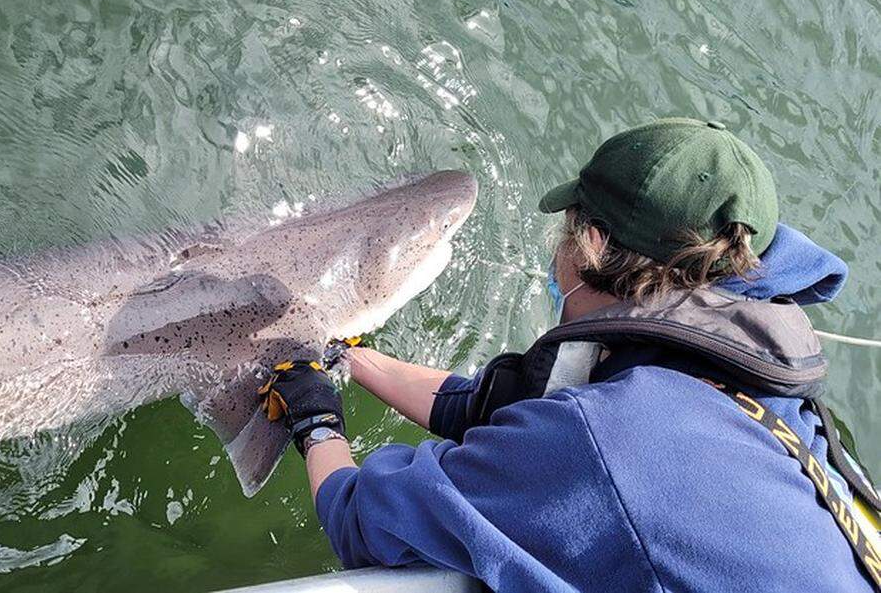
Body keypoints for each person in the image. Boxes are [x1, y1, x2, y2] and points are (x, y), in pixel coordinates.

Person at [260, 118, 881, 592]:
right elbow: (491, 409)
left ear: (588, 244)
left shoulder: (605, 442)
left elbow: (362, 519)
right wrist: (350, 359)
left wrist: (315, 419)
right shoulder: (753, 382)